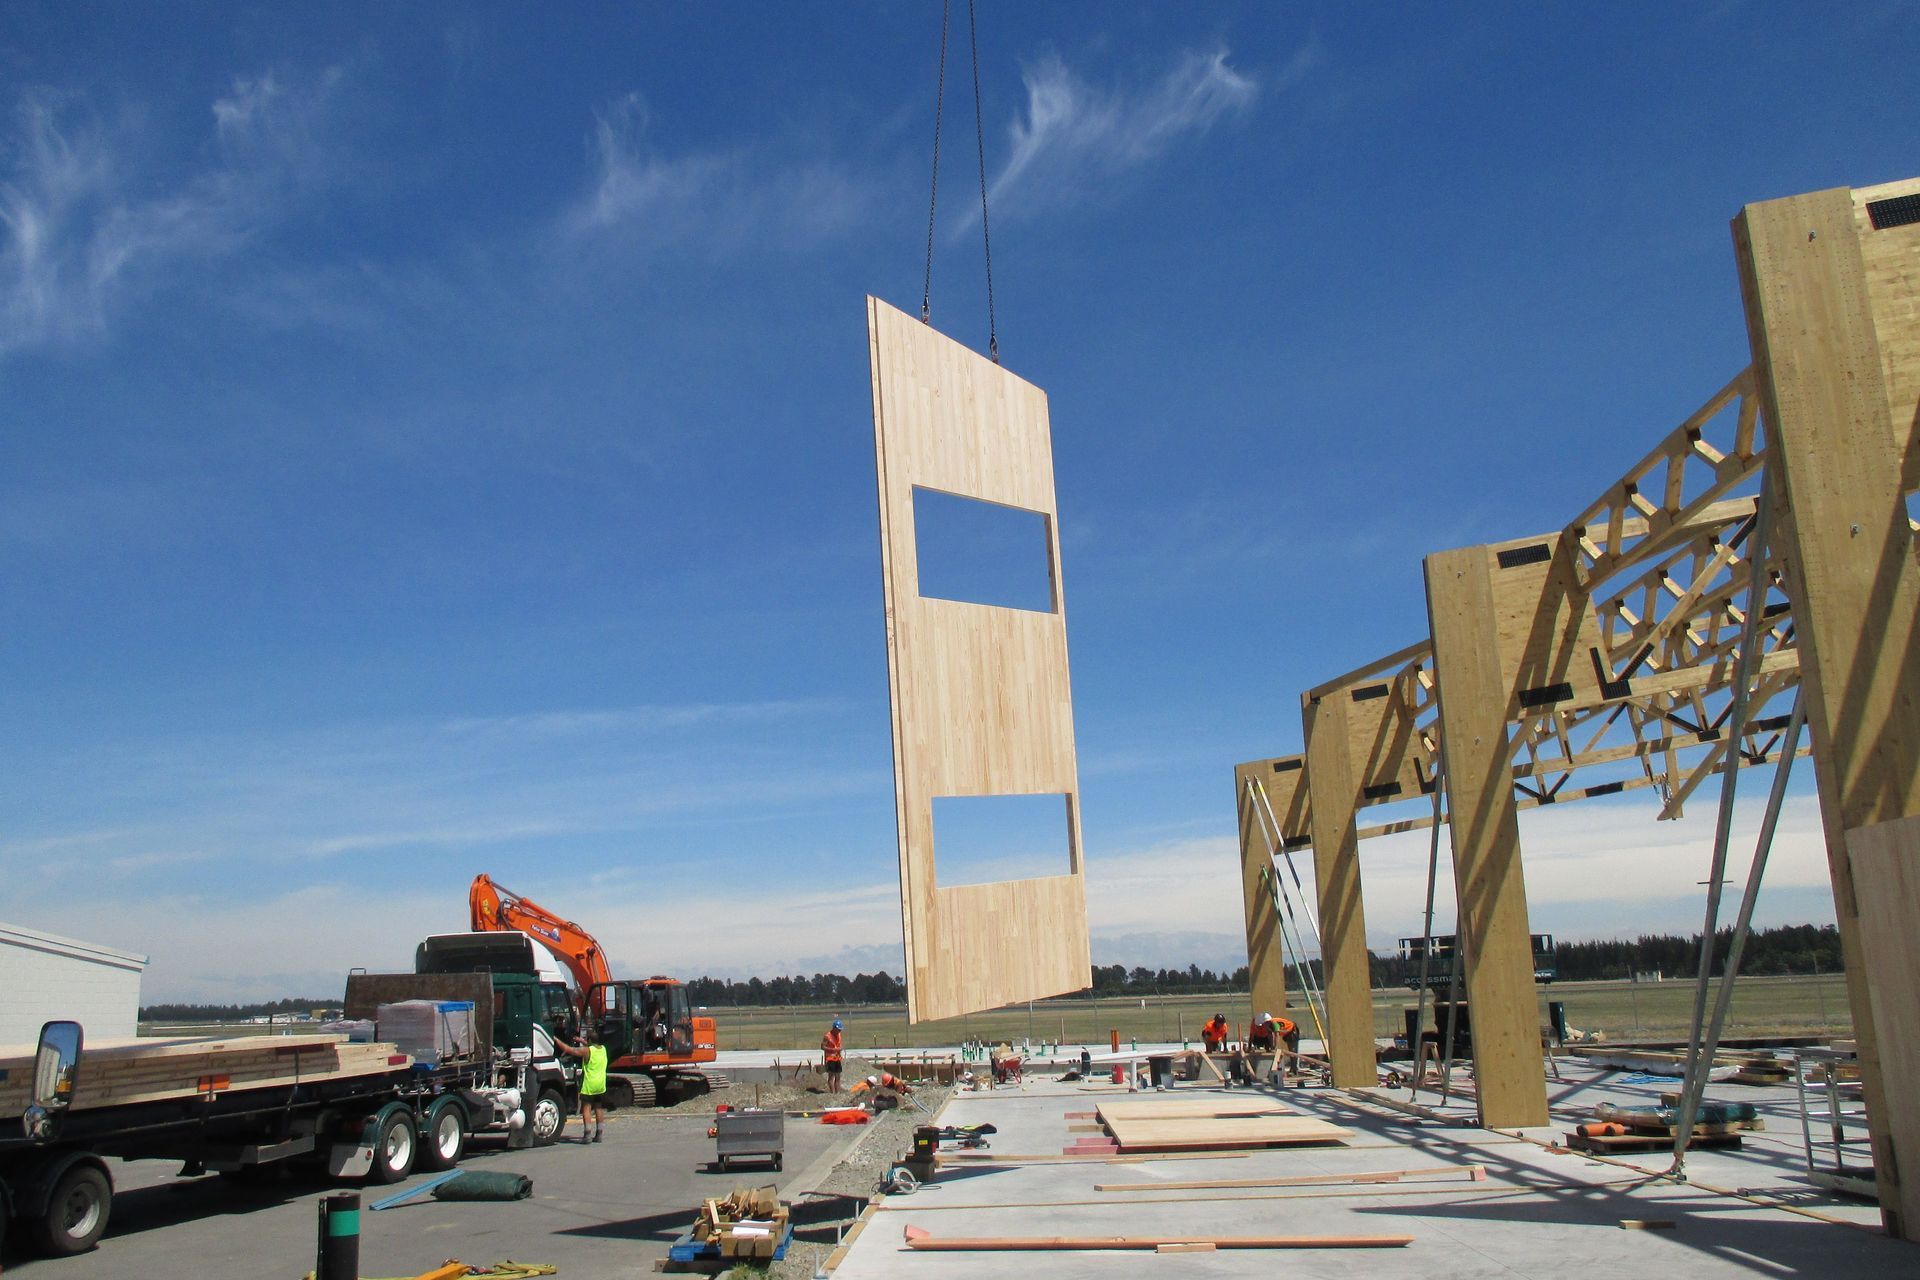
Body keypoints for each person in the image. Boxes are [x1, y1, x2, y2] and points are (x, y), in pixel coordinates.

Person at [557, 1029, 608, 1143]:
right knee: (598, 1108)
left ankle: (587, 1135)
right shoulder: (603, 1049)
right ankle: (599, 1134)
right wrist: (582, 1040)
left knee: (586, 1108)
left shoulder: (586, 1051)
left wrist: (556, 1039)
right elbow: (592, 1046)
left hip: (589, 1085)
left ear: (589, 1040)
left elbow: (568, 1049)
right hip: (600, 1085)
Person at [821, 1018, 844, 1093]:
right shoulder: (827, 1036)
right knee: (831, 1077)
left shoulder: (839, 1035)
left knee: (838, 1076)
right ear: (834, 1028)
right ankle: (832, 1093)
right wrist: (832, 1050)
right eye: (838, 1030)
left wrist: (840, 1051)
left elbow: (839, 1044)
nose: (839, 1031)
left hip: (837, 1058)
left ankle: (837, 1093)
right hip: (830, 1058)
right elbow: (822, 1047)